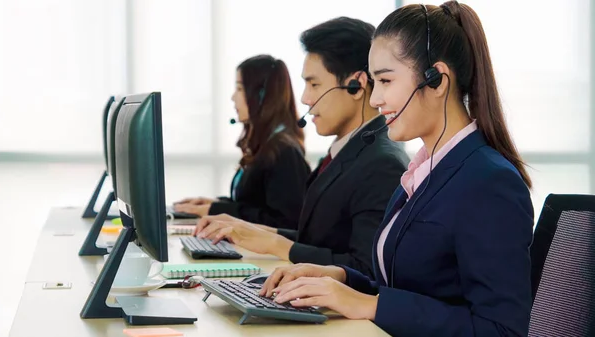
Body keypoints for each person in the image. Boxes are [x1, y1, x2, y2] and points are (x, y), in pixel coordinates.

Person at [259, 2, 534, 336]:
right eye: (374, 82)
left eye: (386, 81)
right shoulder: (424, 172)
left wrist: (370, 305)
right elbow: (412, 287)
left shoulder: (489, 182)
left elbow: (502, 330)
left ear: (436, 81)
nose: (374, 98)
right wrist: (340, 278)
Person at [194, 17, 410, 278]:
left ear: (357, 85)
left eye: (314, 84)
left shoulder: (381, 163)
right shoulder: (348, 150)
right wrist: (253, 230)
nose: (305, 98)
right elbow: (320, 240)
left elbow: (365, 269)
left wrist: (277, 244)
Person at [174, 55, 310, 230]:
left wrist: (214, 210)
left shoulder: (284, 152)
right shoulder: (266, 146)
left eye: (239, 88)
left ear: (261, 96)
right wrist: (214, 204)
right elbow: (254, 204)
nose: (233, 97)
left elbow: (285, 222)